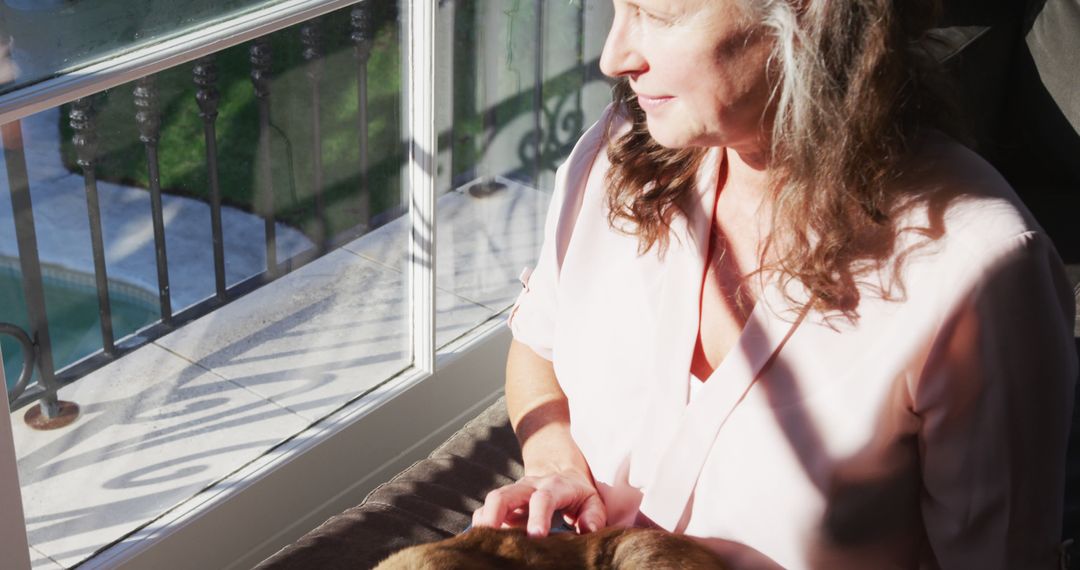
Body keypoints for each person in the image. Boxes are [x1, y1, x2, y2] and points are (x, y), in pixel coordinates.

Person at [472, 0, 1078, 567]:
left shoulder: (978, 270)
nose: (613, 57)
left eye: (657, 13)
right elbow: (538, 342)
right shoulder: (618, 151)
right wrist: (556, 464)